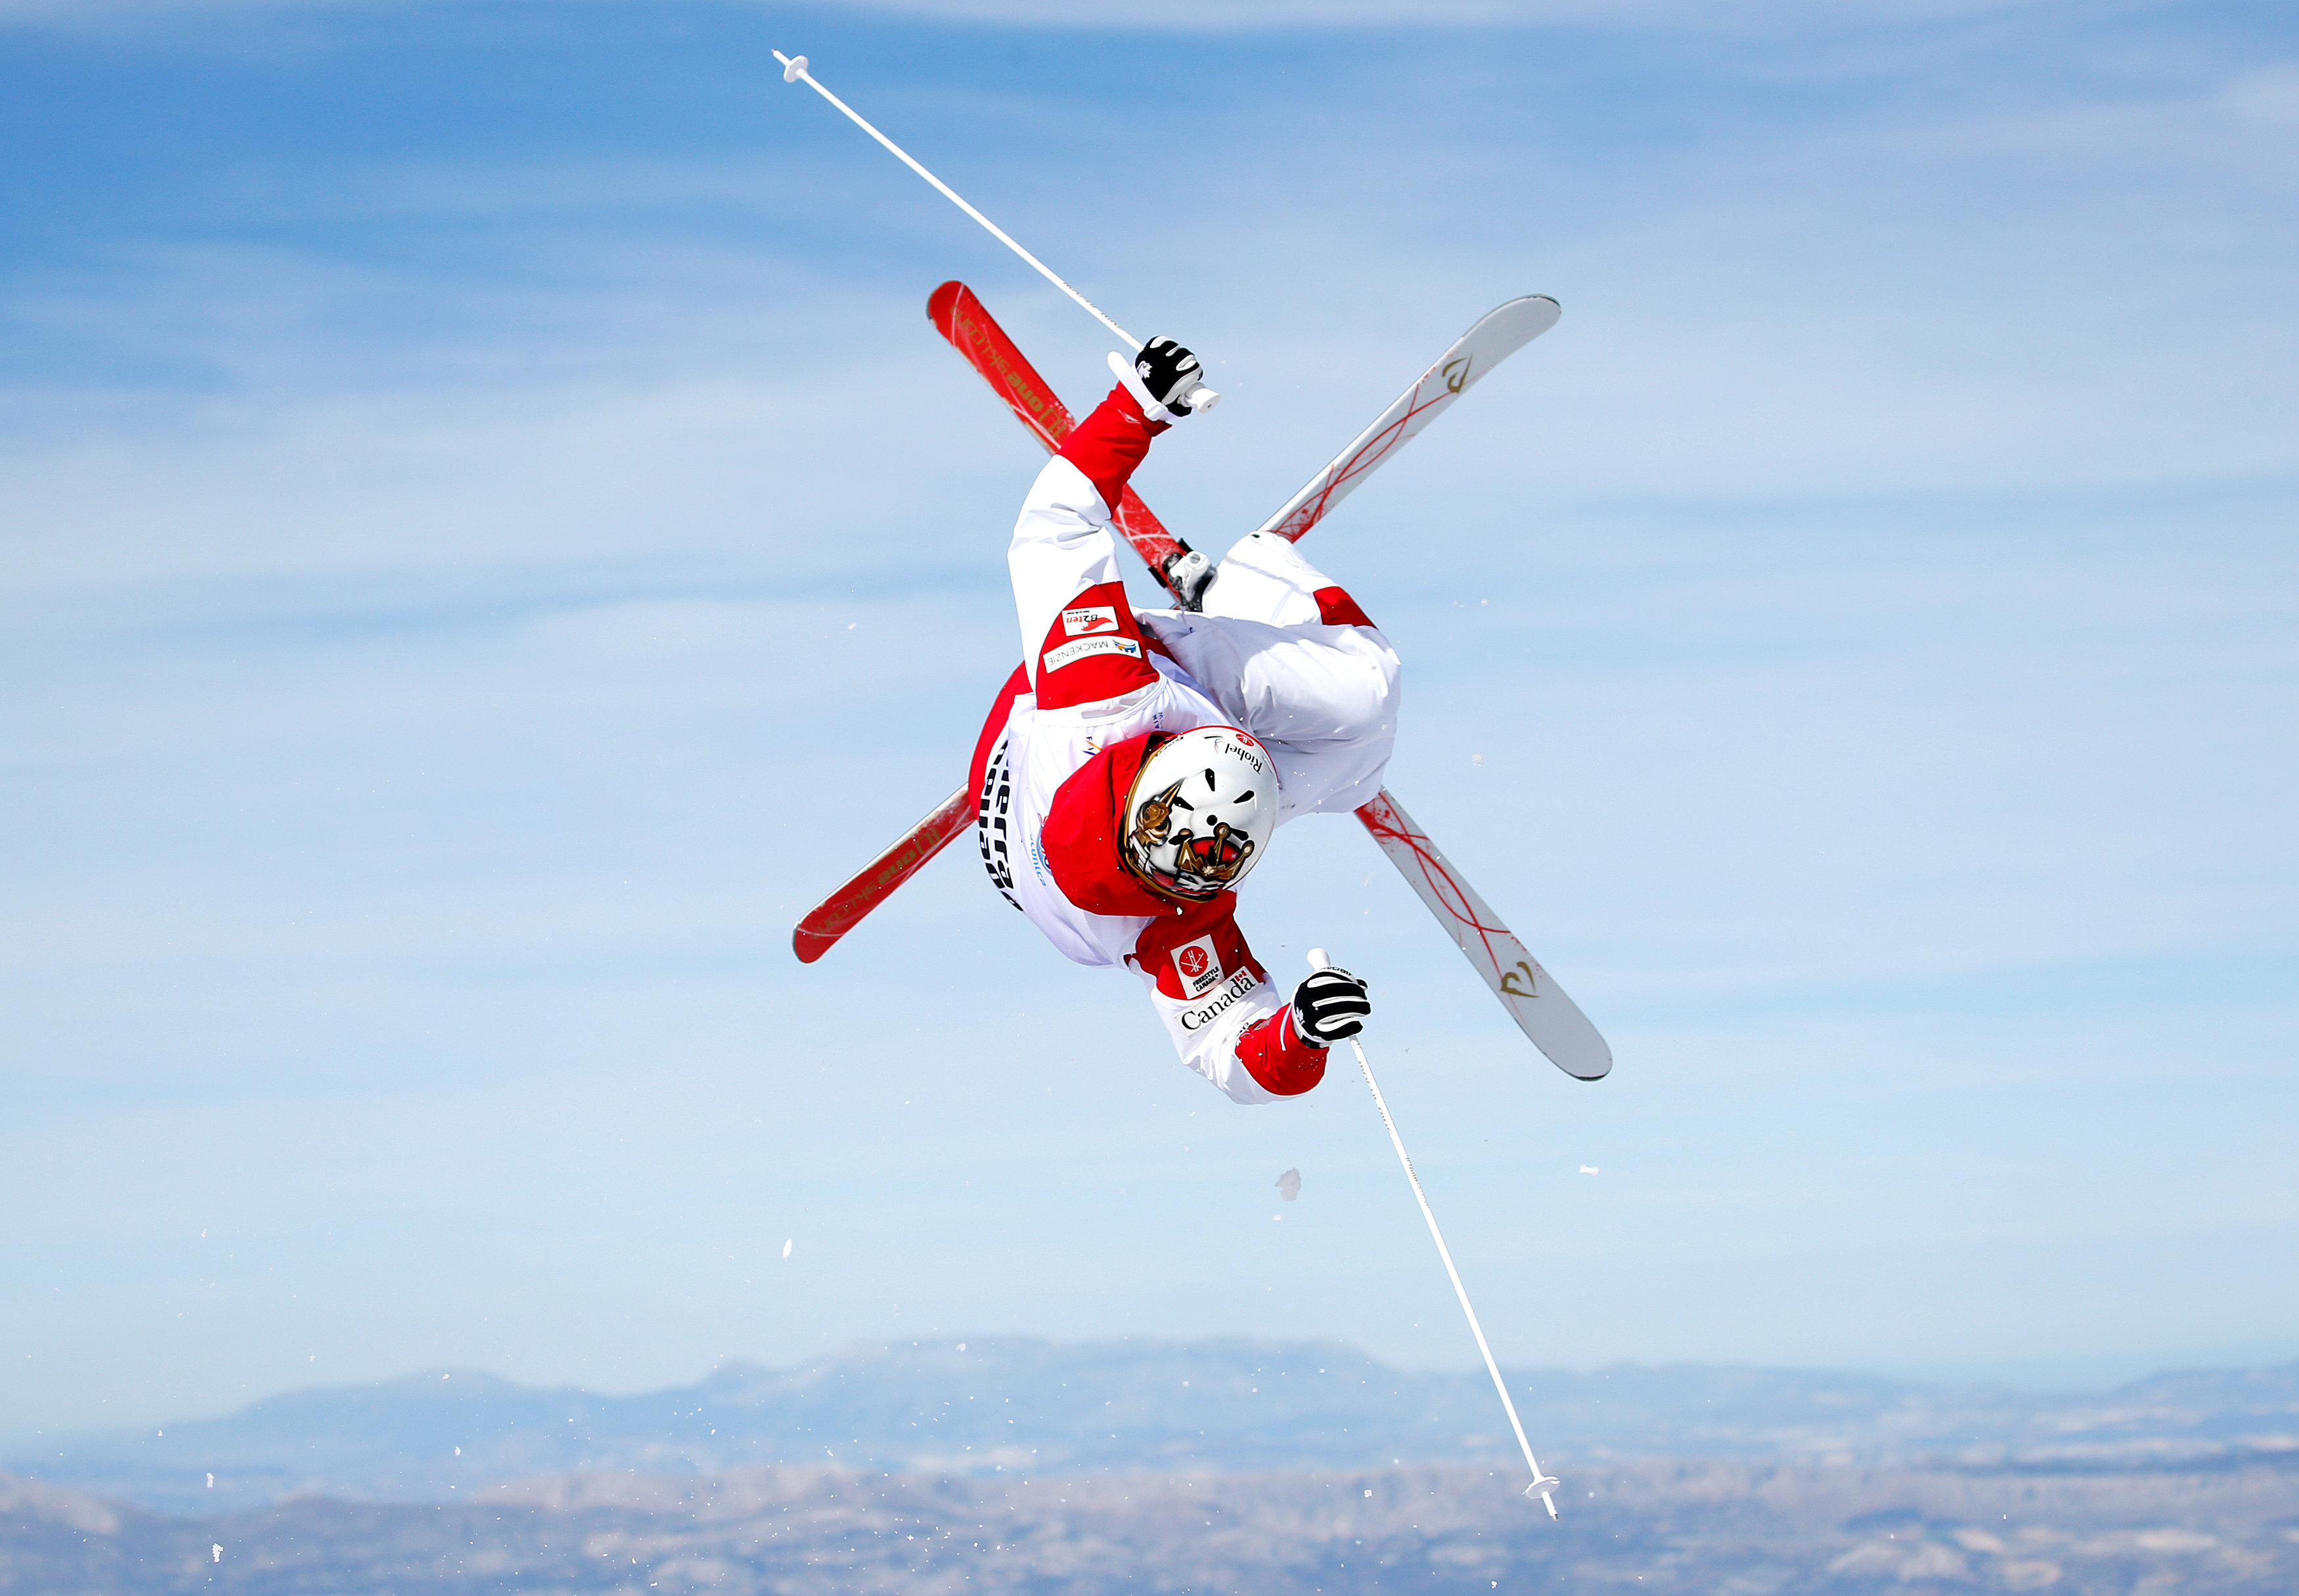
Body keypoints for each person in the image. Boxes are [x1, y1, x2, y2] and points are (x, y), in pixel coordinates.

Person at [968, 337, 1399, 1103]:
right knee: (1361, 748)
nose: (1216, 861)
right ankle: (1343, 767)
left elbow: (1051, 529)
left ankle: (1249, 578)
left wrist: (1137, 410)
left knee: (1367, 695)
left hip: (1094, 697)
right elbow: (1228, 1055)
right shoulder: (1173, 921)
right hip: (1043, 810)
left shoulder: (1095, 685)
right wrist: (1296, 1034)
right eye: (1223, 856)